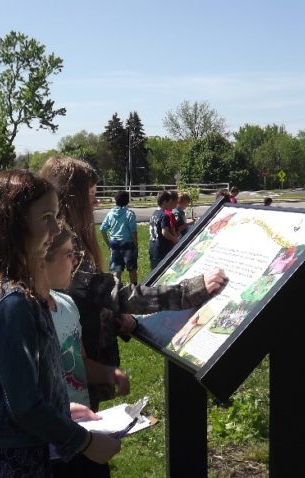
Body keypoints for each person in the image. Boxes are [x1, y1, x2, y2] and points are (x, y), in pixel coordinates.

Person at [0, 169, 120, 478]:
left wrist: (60, 410)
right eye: (46, 218)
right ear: (12, 225)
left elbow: (12, 383)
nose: (55, 229)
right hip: (5, 457)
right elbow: (23, 405)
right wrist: (86, 442)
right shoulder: (11, 302)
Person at [40, 156, 229, 412]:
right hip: (72, 373)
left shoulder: (57, 237)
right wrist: (191, 291)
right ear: (72, 198)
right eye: (92, 194)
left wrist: (113, 318)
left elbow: (87, 297)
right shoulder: (62, 243)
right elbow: (119, 294)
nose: (97, 201)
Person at [42, 220, 129, 478]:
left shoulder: (67, 305)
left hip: (86, 433)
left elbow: (79, 362)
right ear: (41, 259)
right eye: (69, 255)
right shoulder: (28, 316)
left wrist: (108, 373)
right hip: (52, 447)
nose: (75, 262)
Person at [100, 191, 138, 285]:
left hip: (115, 243)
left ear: (115, 200)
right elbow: (133, 232)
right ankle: (134, 289)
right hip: (128, 243)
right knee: (132, 269)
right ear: (127, 201)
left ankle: (116, 289)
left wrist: (108, 243)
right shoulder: (129, 214)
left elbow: (102, 229)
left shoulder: (110, 213)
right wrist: (136, 245)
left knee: (116, 270)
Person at [148, 190, 179, 270]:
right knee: (163, 269)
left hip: (153, 245)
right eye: (169, 202)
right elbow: (165, 232)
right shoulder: (164, 215)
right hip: (162, 247)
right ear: (165, 202)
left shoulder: (154, 214)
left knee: (154, 269)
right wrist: (174, 239)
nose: (170, 205)